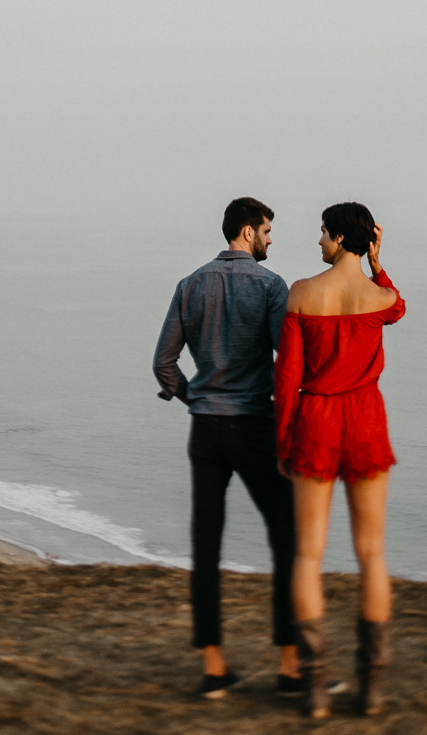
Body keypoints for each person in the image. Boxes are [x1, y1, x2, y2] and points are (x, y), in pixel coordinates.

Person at [152, 196, 303, 700]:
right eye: (265, 230)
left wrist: (195, 398)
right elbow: (289, 358)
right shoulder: (269, 285)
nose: (269, 239)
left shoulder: (189, 285)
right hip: (254, 425)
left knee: (206, 546)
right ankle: (289, 665)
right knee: (287, 538)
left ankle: (214, 668)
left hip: (207, 431)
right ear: (246, 232)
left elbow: (164, 364)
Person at [275, 201, 405, 718]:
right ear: (365, 239)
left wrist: (284, 442)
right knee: (371, 552)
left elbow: (286, 379)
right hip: (366, 417)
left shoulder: (304, 294)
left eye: (323, 233)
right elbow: (396, 308)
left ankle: (312, 691)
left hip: (317, 419)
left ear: (336, 237)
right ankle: (370, 688)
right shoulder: (380, 296)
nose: (319, 242)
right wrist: (377, 261)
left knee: (308, 553)